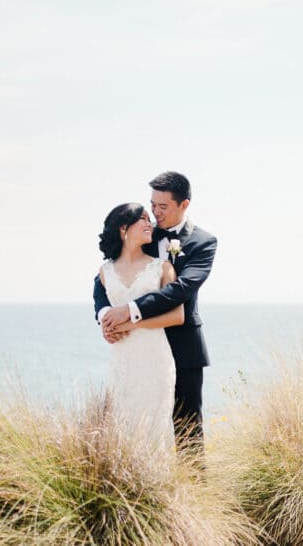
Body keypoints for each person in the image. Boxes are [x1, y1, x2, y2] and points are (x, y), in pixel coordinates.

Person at [94, 171, 217, 461]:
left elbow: (182, 289)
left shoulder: (203, 242)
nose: (155, 212)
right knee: (136, 421)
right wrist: (105, 316)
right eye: (153, 205)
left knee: (187, 429)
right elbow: (105, 278)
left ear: (184, 205)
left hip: (183, 345)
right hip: (138, 349)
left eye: (163, 207)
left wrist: (131, 312)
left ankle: (196, 496)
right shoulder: (144, 233)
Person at [96, 202, 185, 453]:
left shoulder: (162, 268)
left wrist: (133, 323)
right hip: (122, 359)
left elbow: (178, 315)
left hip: (155, 358)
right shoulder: (105, 272)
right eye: (143, 219)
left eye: (150, 219)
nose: (150, 224)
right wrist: (108, 327)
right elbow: (105, 311)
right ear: (124, 228)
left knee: (154, 427)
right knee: (122, 424)